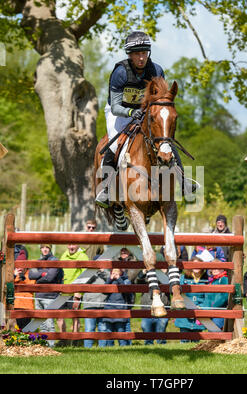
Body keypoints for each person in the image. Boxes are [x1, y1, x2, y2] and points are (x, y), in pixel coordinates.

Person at [95, 31, 197, 208]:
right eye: (137, 54)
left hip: (145, 112)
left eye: (144, 53)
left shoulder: (156, 71)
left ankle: (183, 182)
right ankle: (106, 189)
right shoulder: (120, 73)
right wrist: (129, 114)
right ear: (130, 55)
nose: (141, 58)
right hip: (119, 112)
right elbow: (116, 107)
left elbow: (161, 99)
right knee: (114, 145)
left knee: (165, 142)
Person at [28, 244, 63, 346]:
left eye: (47, 248)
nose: (45, 249)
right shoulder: (38, 261)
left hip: (50, 296)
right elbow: (31, 275)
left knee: (49, 323)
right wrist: (43, 273)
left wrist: (39, 275)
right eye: (43, 247)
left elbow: (50, 277)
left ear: (50, 249)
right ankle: (44, 345)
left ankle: (51, 346)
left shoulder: (54, 261)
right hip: (38, 295)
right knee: (41, 323)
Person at [174, 258, 208, 342]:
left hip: (199, 313)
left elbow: (208, 297)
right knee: (184, 341)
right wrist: (188, 308)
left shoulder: (207, 279)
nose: (196, 267)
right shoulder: (183, 278)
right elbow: (179, 294)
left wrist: (200, 307)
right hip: (185, 313)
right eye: (194, 264)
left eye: (198, 265)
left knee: (196, 342)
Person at [58, 244, 89, 334]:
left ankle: (74, 340)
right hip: (63, 291)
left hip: (75, 292)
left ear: (78, 245)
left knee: (75, 317)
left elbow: (85, 276)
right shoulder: (64, 255)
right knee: (59, 316)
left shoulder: (83, 256)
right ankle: (62, 339)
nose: (71, 247)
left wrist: (79, 292)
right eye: (69, 244)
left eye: (73, 245)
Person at [136, 268, 170, 345]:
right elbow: (137, 281)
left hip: (162, 307)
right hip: (147, 308)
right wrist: (143, 271)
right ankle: (148, 349)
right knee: (146, 329)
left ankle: (162, 349)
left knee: (161, 334)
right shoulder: (147, 273)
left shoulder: (167, 273)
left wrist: (164, 273)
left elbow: (171, 284)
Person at [102, 268, 134, 347]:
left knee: (120, 332)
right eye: (113, 272)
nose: (115, 274)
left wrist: (119, 279)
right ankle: (110, 348)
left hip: (120, 308)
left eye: (117, 272)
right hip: (109, 309)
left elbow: (125, 290)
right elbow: (104, 290)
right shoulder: (109, 281)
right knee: (109, 332)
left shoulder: (125, 281)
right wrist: (110, 279)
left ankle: (123, 347)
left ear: (121, 273)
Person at [82, 268, 109, 348]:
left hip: (103, 304)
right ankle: (87, 348)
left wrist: (103, 271)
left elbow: (110, 278)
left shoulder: (106, 272)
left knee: (103, 328)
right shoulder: (87, 272)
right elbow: (83, 282)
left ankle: (103, 349)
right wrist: (92, 272)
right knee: (89, 329)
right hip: (90, 304)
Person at [202, 263, 229, 330]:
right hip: (210, 311)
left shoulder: (224, 279)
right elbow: (208, 298)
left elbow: (224, 296)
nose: (215, 269)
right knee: (211, 329)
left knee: (215, 329)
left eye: (218, 267)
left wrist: (213, 306)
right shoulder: (212, 281)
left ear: (223, 269)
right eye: (213, 268)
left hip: (219, 311)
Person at [14, 248, 35, 330]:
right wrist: (15, 275)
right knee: (15, 330)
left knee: (26, 330)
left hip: (27, 307)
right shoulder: (12, 274)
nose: (20, 267)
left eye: (22, 265)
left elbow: (32, 284)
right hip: (15, 306)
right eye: (18, 265)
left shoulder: (30, 274)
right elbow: (6, 284)